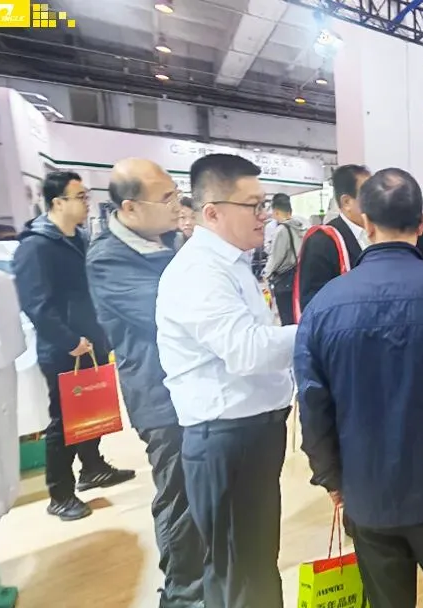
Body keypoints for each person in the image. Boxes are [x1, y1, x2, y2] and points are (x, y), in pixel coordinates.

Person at [296, 168, 423, 608]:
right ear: (422, 223)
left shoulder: (324, 305)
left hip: (367, 489)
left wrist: (329, 474)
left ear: (366, 222)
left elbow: (312, 402)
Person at [155, 154, 297, 608]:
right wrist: (319, 331)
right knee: (240, 573)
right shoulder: (200, 271)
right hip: (227, 439)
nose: (264, 216)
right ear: (212, 212)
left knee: (253, 564)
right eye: (253, 205)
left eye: (264, 204)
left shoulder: (231, 263)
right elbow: (248, 350)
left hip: (250, 434)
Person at [87, 158, 204, 607]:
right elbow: (170, 314)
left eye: (176, 194)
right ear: (130, 208)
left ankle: (203, 583)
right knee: (179, 498)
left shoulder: (168, 240)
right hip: (160, 398)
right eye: (167, 198)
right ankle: (181, 595)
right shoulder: (108, 258)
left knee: (200, 493)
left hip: (190, 388)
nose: (177, 205)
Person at [12, 171, 135, 522]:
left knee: (92, 409)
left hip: (91, 341)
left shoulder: (80, 238)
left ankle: (93, 468)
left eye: (86, 196)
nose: (86, 203)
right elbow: (36, 304)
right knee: (64, 421)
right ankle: (60, 493)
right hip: (63, 348)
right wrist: (69, 340)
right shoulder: (36, 246)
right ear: (57, 202)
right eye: (80, 197)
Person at [296, 163, 372, 313]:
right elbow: (313, 302)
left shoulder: (379, 233)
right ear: (347, 202)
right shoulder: (322, 241)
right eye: (370, 195)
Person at [261, 193, 306, 326]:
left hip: (284, 279)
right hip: (297, 275)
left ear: (276, 211)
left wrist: (266, 273)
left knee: (286, 318)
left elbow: (276, 257)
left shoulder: (281, 230)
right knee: (296, 314)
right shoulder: (299, 226)